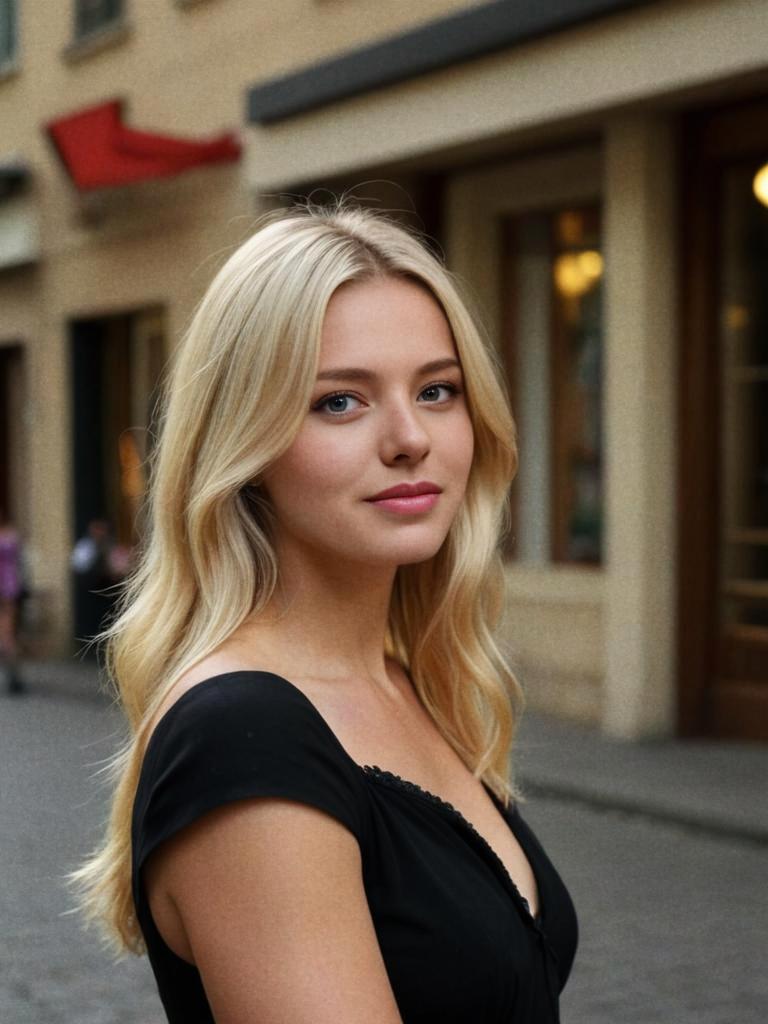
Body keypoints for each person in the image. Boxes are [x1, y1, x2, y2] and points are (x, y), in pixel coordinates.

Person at [73, 203, 578, 1023]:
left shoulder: (404, 677)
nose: (410, 437)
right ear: (247, 445)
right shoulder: (244, 734)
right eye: (340, 402)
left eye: (438, 390)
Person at [0, 509, 25, 694]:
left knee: (7, 634)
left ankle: (13, 674)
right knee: (8, 632)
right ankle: (13, 675)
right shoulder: (12, 536)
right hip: (10, 585)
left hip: (8, 586)